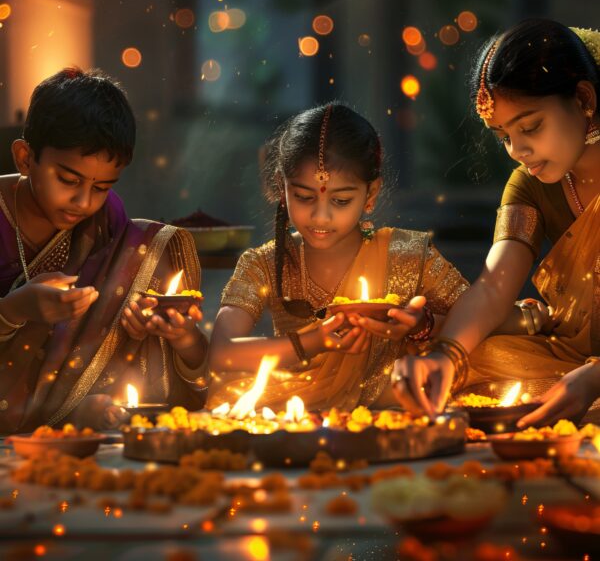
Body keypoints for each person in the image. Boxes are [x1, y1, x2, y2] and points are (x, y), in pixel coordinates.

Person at [392, 19, 600, 427]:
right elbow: (493, 287)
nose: (518, 150)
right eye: (502, 136)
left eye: (530, 127)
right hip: (571, 360)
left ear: (583, 98)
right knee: (466, 363)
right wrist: (445, 355)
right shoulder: (531, 183)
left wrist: (596, 379)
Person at [206, 103, 470, 412]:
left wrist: (422, 325)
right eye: (304, 197)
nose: (321, 216)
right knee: (229, 389)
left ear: (371, 194)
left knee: (491, 355)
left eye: (341, 200)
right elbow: (221, 353)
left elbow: (478, 319)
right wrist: (314, 341)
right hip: (301, 399)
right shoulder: (263, 262)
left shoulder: (407, 253)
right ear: (281, 188)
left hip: (394, 391)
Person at [0, 68, 207, 435]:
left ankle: (85, 411)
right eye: (68, 180)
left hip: (68, 408)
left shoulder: (107, 217)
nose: (83, 202)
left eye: (102, 186)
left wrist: (137, 321)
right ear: (24, 158)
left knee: (150, 247)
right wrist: (14, 310)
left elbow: (105, 316)